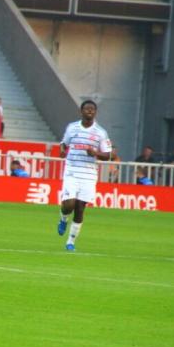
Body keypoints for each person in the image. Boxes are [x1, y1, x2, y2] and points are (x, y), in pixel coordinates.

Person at [57, 100, 112, 251]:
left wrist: (95, 153)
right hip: (72, 171)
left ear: (95, 112)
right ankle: (63, 218)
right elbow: (64, 143)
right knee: (69, 204)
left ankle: (70, 242)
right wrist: (62, 150)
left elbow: (108, 155)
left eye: (92, 109)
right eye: (87, 109)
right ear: (81, 111)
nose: (90, 111)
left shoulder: (101, 132)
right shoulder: (72, 127)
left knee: (80, 208)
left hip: (88, 174)